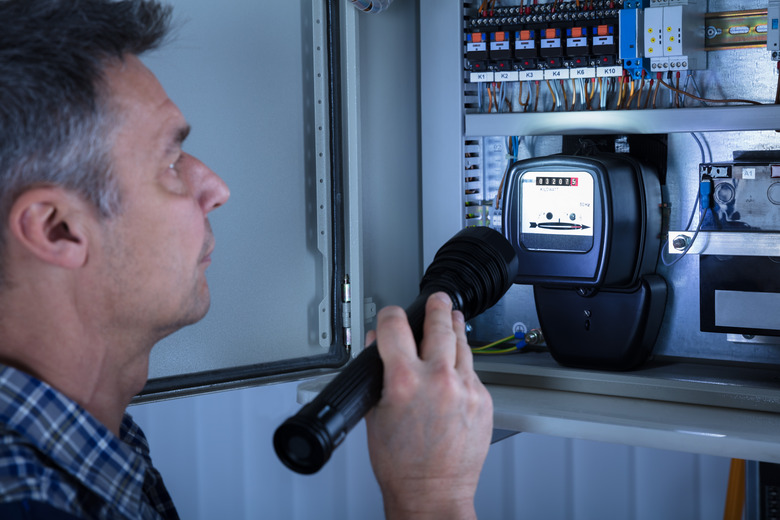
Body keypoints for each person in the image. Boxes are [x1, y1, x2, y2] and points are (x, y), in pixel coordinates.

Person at [0, 1, 493, 519]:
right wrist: (432, 494)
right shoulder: (25, 500)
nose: (216, 187)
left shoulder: (99, 441)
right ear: (57, 228)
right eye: (170, 162)